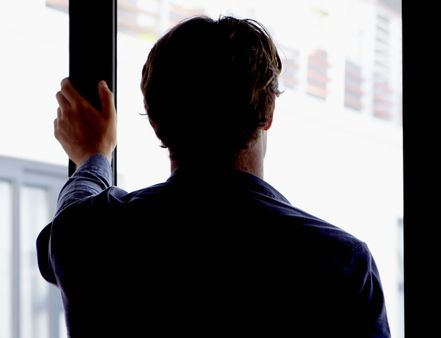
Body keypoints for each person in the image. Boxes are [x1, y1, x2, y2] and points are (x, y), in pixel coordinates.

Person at [36, 15, 390, 337]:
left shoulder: (90, 236)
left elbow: (75, 210)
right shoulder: (340, 262)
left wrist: (95, 157)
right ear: (268, 115)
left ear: (156, 122)